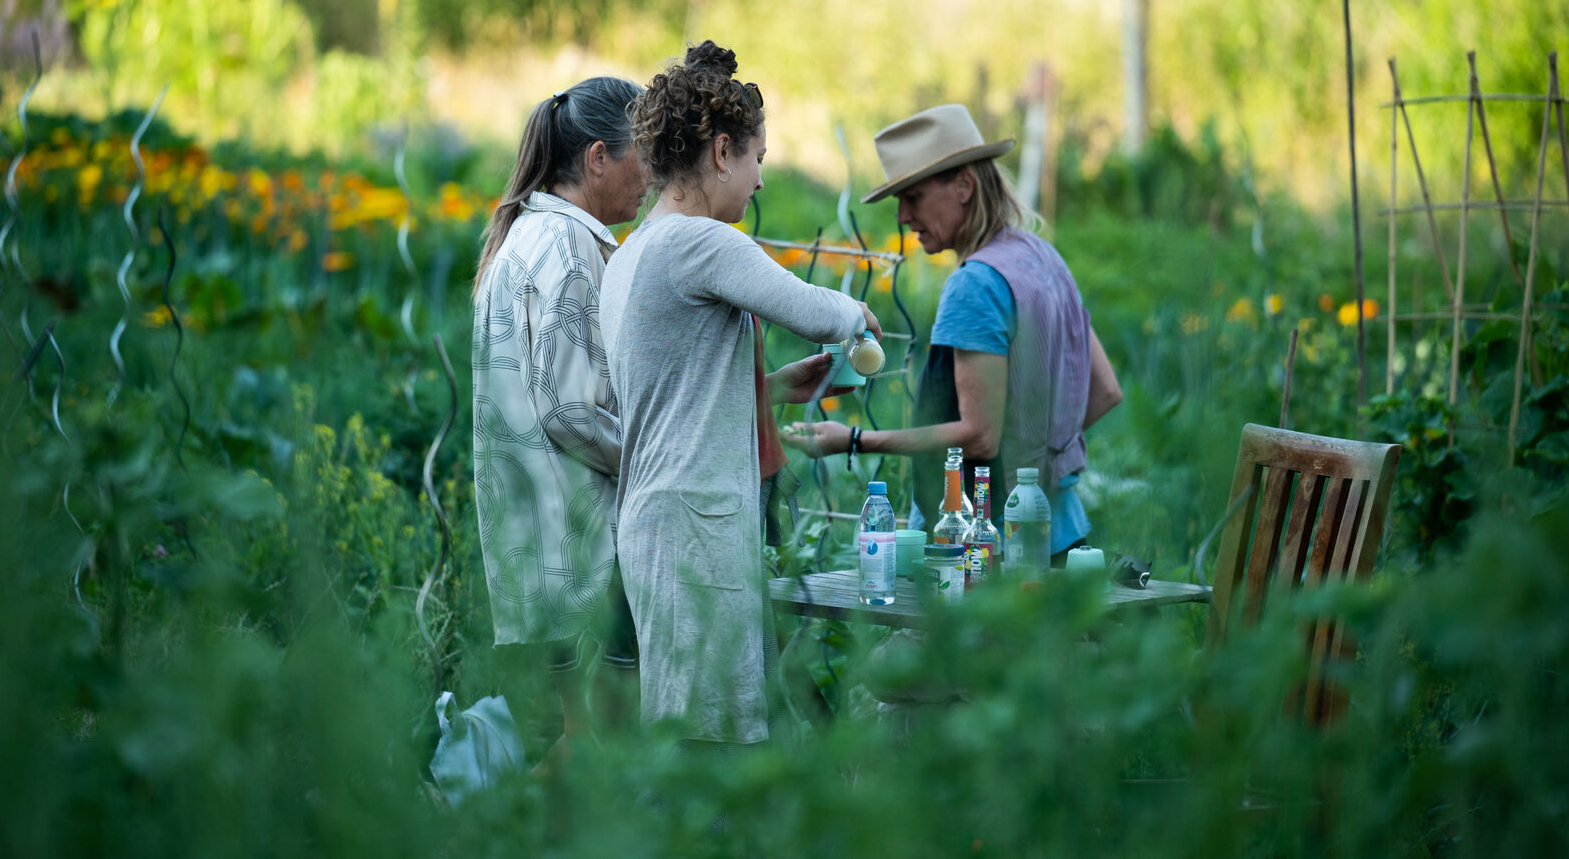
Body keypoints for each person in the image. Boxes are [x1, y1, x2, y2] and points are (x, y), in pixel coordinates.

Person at [599, 41, 881, 749]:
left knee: (681, 718)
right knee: (712, 736)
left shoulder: (634, 249)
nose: (759, 181)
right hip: (696, 519)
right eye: (758, 157)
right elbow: (814, 307)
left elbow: (669, 383)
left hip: (655, 515)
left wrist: (773, 386)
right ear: (722, 151)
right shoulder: (701, 242)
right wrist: (858, 318)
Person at [785, 104, 1122, 563]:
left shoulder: (974, 284)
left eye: (914, 197)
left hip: (985, 540)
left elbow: (980, 437)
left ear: (963, 185)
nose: (902, 216)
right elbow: (1104, 392)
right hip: (1060, 528)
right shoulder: (1044, 259)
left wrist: (853, 440)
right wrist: (1035, 459)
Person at [471, 76, 648, 766]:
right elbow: (572, 408)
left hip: (529, 552)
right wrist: (652, 456)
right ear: (598, 157)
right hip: (576, 554)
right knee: (594, 755)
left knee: (569, 755)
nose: (653, 176)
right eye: (644, 157)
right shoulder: (571, 250)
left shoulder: (524, 238)